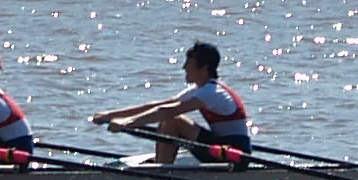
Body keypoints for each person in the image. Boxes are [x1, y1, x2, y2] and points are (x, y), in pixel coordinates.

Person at [90, 40, 251, 165]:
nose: (183, 68)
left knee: (173, 119)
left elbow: (169, 111)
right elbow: (156, 106)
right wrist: (110, 115)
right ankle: (162, 163)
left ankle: (162, 168)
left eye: (188, 64)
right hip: (221, 149)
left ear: (204, 68)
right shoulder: (200, 90)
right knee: (167, 118)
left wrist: (127, 123)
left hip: (233, 154)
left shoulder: (212, 92)